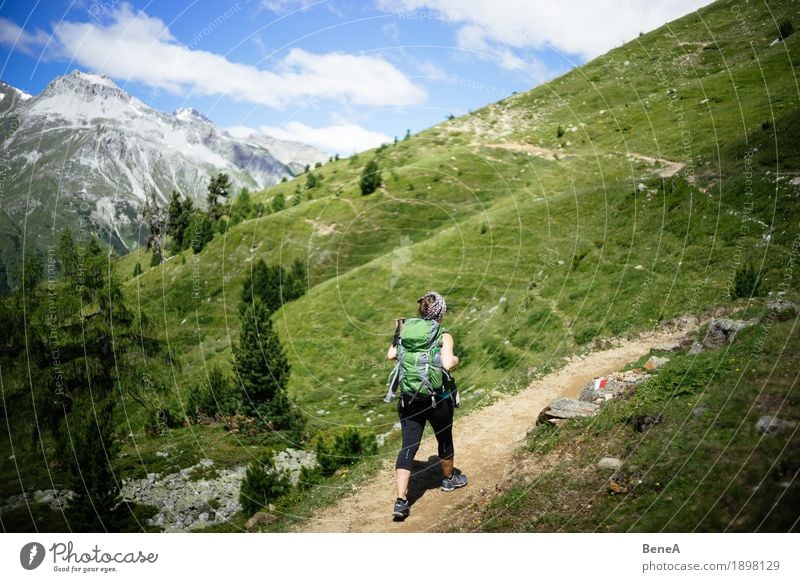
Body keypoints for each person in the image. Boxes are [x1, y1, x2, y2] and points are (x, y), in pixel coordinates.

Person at [386, 290, 467, 521]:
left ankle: (401, 501)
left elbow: (392, 355)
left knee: (408, 447)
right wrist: (457, 360)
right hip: (437, 399)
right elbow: (448, 364)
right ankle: (449, 480)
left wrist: (398, 334)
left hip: (409, 399)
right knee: (444, 437)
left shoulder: (406, 331)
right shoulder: (443, 334)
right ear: (440, 312)